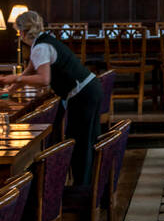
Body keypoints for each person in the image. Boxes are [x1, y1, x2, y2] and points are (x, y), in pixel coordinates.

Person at [6, 11, 101, 185]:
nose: (18, 36)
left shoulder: (40, 48)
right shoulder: (42, 42)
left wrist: (15, 78)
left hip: (82, 94)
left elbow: (44, 79)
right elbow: (30, 70)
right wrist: (9, 90)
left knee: (80, 142)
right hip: (90, 88)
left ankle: (83, 189)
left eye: (17, 32)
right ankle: (91, 185)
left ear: (23, 32)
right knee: (87, 140)